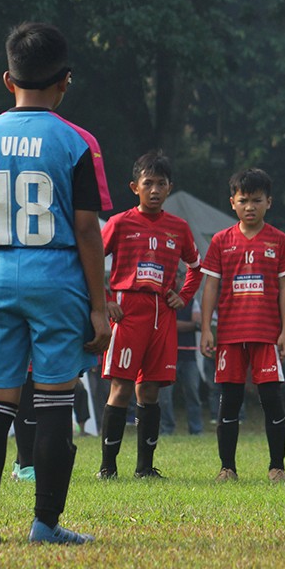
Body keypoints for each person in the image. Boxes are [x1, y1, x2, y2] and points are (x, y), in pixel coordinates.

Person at [0, 21, 111, 545]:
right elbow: (87, 230)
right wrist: (99, 307)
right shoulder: (76, 142)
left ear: (8, 79)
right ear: (65, 80)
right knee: (53, 405)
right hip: (56, 278)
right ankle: (45, 523)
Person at [97, 152, 201, 479]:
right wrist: (105, 300)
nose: (154, 190)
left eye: (161, 184)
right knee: (121, 387)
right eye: (148, 183)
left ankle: (144, 468)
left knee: (151, 390)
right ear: (135, 187)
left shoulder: (179, 228)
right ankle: (108, 467)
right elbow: (91, 260)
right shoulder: (119, 223)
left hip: (163, 314)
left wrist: (183, 296)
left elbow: (196, 267)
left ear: (170, 188)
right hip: (128, 310)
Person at [199, 168, 285, 483]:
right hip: (230, 335)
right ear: (233, 203)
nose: (250, 207)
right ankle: (227, 468)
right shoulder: (220, 241)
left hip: (266, 335)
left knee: (271, 399)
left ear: (269, 202)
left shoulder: (279, 240)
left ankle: (277, 467)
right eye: (243, 200)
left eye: (256, 200)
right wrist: (206, 328)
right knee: (229, 401)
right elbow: (210, 287)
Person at [158, 294, 204, 436]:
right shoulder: (161, 300)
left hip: (189, 357)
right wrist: (189, 325)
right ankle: (167, 429)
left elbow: (198, 323)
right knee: (164, 397)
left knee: (193, 394)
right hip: (167, 357)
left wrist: (172, 324)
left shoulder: (191, 301)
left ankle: (196, 430)